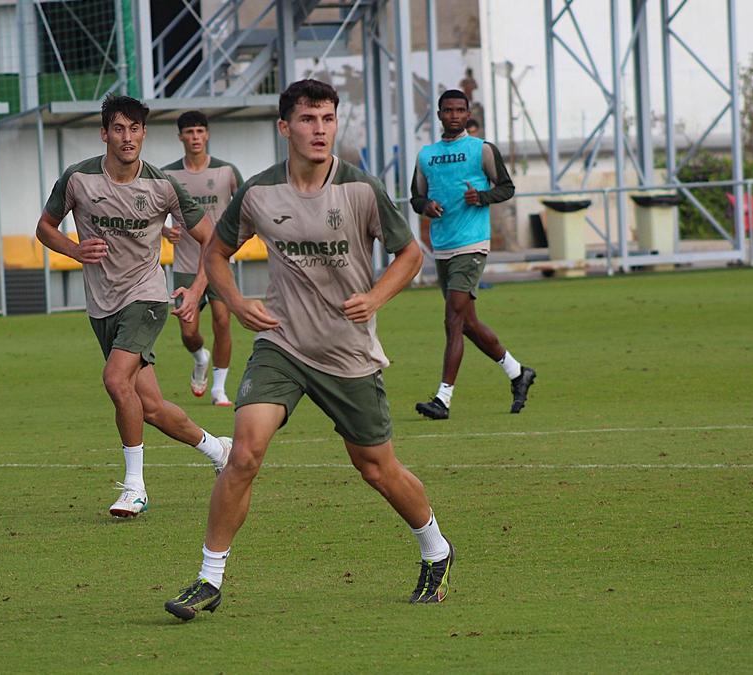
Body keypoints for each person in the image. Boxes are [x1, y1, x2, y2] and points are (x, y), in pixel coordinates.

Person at [163, 79, 455, 621]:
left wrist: (374, 297)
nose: (319, 130)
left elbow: (410, 255)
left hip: (347, 353)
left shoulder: (361, 190)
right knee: (245, 453)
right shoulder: (257, 192)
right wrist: (237, 301)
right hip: (282, 343)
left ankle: (436, 548)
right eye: (307, 119)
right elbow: (217, 254)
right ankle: (209, 578)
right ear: (285, 127)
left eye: (327, 119)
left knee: (376, 468)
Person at [35, 94, 232, 518]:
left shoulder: (163, 185)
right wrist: (74, 249)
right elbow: (44, 228)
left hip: (146, 295)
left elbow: (212, 242)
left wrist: (197, 289)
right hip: (101, 304)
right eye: (119, 129)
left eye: (135, 129)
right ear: (105, 133)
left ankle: (135, 487)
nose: (128, 137)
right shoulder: (78, 179)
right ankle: (219, 450)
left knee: (113, 379)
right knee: (153, 407)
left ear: (144, 133)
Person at [410, 89, 535, 419]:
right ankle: (517, 372)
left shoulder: (482, 150)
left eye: (460, 110)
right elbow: (415, 198)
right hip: (443, 247)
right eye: (448, 110)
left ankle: (443, 399)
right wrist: (427, 206)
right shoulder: (426, 156)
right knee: (466, 323)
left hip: (473, 244)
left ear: (468, 114)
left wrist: (481, 197)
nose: (454, 115)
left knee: (452, 318)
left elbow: (506, 187)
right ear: (438, 115)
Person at [161, 111, 244, 407]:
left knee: (223, 320)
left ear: (207, 135)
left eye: (200, 131)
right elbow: (149, 213)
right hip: (185, 264)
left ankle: (219, 389)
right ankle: (200, 358)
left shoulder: (226, 172)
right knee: (188, 331)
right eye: (189, 132)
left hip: (219, 262)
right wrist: (163, 229)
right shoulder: (168, 175)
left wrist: (237, 235)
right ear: (180, 136)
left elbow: (246, 207)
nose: (195, 137)